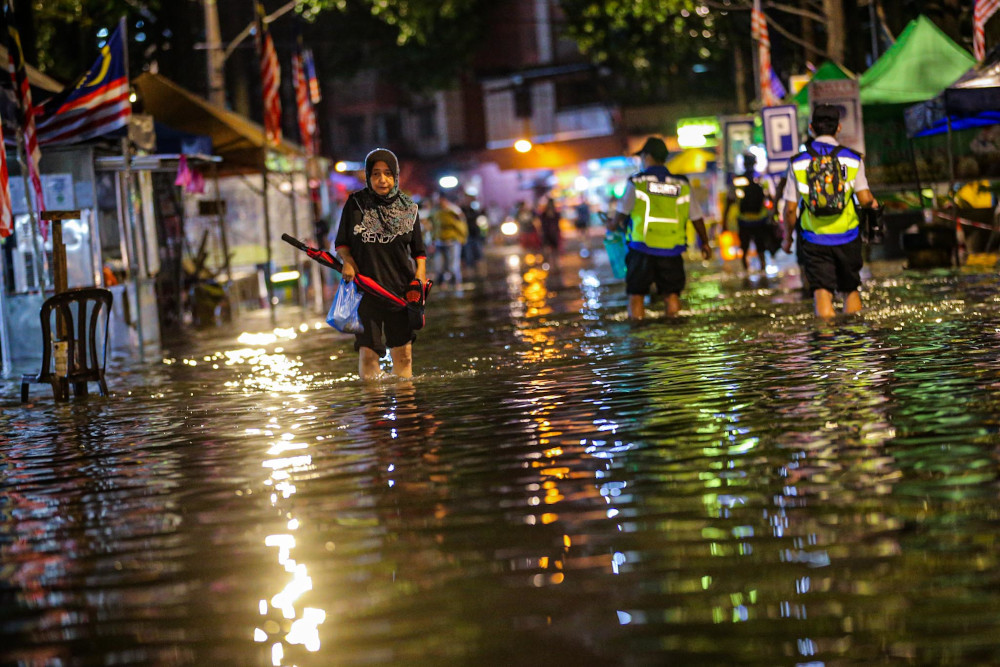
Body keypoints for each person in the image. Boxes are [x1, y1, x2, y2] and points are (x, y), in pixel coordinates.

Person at [335, 148, 427, 380]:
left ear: (395, 176)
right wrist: (347, 262)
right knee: (368, 355)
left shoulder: (409, 208)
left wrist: (421, 276)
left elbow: (419, 251)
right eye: (375, 174)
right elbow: (342, 243)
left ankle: (406, 409)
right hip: (365, 291)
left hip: (401, 292)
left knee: (404, 356)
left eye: (387, 173)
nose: (382, 179)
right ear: (368, 176)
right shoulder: (355, 204)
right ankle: (373, 410)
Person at [781, 105, 878, 318]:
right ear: (839, 128)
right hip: (848, 235)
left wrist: (787, 239)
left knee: (821, 291)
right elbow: (865, 199)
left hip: (814, 238)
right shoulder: (853, 158)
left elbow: (789, 210)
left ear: (811, 128)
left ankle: (828, 347)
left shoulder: (798, 162)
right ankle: (853, 343)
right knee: (850, 289)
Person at [610, 136, 713, 319]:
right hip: (672, 250)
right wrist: (705, 242)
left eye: (642, 157)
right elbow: (696, 217)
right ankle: (675, 334)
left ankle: (638, 340)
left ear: (648, 156)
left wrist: (610, 224)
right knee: (671, 295)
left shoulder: (637, 182)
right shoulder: (681, 184)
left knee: (636, 295)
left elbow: (620, 215)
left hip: (642, 248)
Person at [724, 154, 774, 273]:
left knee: (744, 248)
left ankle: (746, 273)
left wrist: (724, 221)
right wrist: (773, 216)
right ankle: (763, 271)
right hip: (760, 220)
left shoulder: (737, 180)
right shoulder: (764, 178)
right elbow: (772, 199)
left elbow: (729, 202)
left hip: (743, 221)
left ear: (744, 164)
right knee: (761, 248)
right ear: (755, 163)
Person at [431, 192, 468, 287]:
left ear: (444, 199)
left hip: (452, 241)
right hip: (440, 242)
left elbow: (461, 225)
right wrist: (433, 239)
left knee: (453, 265)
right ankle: (442, 283)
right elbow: (434, 227)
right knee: (439, 266)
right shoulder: (436, 211)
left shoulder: (454, 211)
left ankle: (456, 283)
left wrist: (462, 238)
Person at [538, 197, 562, 266]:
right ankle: (554, 264)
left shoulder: (549, 213)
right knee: (552, 250)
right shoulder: (548, 213)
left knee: (552, 249)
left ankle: (553, 264)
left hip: (551, 233)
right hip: (550, 233)